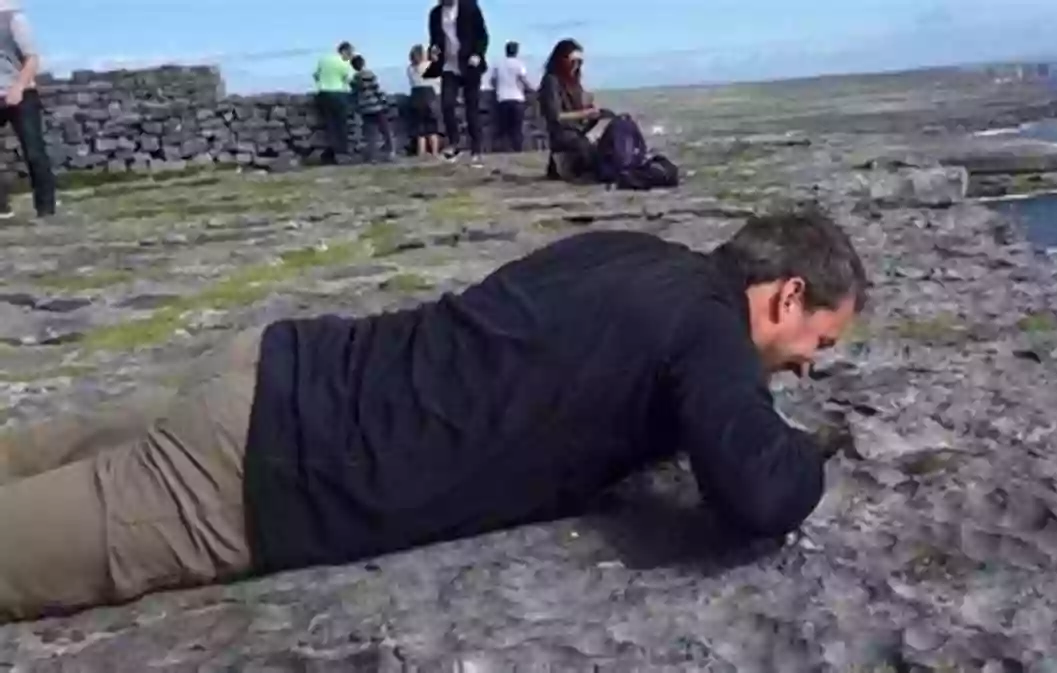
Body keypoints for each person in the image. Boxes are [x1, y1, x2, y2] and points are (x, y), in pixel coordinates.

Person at [0, 208, 867, 624]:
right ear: (787, 292)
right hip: (259, 471)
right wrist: (815, 447)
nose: (809, 364)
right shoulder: (707, 330)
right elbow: (759, 493)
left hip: (275, 369)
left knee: (29, 457)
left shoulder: (633, 253)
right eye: (819, 340)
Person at [0, 1, 55, 219]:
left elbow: (32, 58)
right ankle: (2, 206)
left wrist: (18, 87)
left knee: (34, 151)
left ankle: (46, 210)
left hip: (21, 93)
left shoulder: (14, 19)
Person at [425, 0, 489, 164]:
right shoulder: (435, 14)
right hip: (449, 65)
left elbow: (482, 35)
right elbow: (435, 41)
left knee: (471, 108)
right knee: (446, 104)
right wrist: (433, 51)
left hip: (469, 64)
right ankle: (454, 143)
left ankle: (476, 149)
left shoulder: (469, 6)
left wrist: (477, 54)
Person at [538, 39, 606, 181]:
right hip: (563, 136)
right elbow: (555, 116)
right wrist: (584, 113)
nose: (576, 65)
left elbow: (578, 116)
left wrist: (592, 114)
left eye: (580, 62)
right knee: (591, 159)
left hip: (576, 132)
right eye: (573, 61)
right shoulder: (551, 81)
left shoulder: (574, 82)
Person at [313, 41, 355, 163]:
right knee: (341, 124)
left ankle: (332, 152)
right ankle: (342, 152)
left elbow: (316, 76)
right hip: (338, 94)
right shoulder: (344, 63)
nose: (351, 56)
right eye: (350, 53)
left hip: (323, 94)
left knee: (330, 124)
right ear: (344, 51)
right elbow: (348, 80)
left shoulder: (324, 60)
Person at [489, 41, 534, 153]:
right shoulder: (519, 64)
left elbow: (492, 81)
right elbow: (523, 80)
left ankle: (502, 149)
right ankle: (517, 149)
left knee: (502, 128)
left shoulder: (499, 64)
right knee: (517, 128)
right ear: (516, 51)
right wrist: (532, 89)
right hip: (517, 98)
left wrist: (497, 89)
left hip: (503, 98)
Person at [350, 54, 395, 163]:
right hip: (376, 106)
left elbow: (354, 95)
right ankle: (390, 152)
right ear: (364, 63)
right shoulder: (370, 75)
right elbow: (377, 91)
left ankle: (372, 156)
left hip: (365, 109)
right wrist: (385, 103)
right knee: (385, 130)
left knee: (370, 133)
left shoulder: (354, 80)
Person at [406, 44, 441, 157]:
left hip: (415, 97)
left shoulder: (410, 69)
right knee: (432, 128)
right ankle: (434, 152)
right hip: (429, 96)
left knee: (420, 130)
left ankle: (421, 153)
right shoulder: (429, 65)